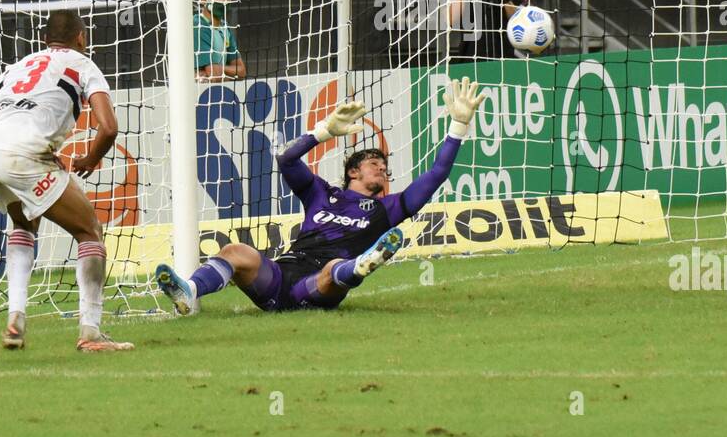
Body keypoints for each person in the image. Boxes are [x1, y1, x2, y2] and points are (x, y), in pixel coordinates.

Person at [154, 78, 485, 314]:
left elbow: (436, 174)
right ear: (353, 171)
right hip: (280, 277)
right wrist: (323, 131)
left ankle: (361, 265)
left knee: (334, 269)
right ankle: (188, 291)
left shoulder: (389, 208)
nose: (382, 170)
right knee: (235, 250)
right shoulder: (321, 194)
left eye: (385, 167)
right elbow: (286, 159)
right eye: (374, 164)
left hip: (316, 285)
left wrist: (458, 126)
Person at [0, 9, 133, 352]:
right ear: (81, 38)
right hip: (23, 156)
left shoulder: (19, 66)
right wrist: (91, 158)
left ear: (43, 40)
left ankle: (15, 319)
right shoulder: (84, 65)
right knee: (89, 231)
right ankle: (91, 333)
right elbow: (109, 127)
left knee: (25, 224)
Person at [195, 0, 246, 82]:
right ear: (203, 0)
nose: (222, 0)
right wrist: (230, 75)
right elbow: (214, 74)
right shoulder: (198, 25)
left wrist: (220, 70)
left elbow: (241, 71)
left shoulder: (224, 27)